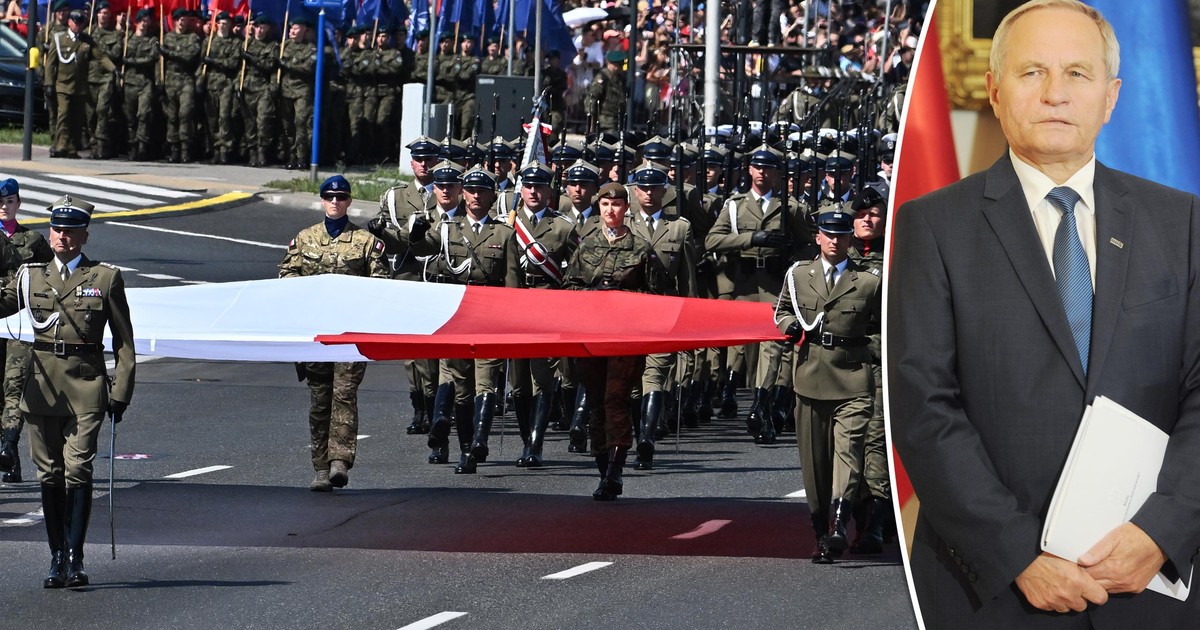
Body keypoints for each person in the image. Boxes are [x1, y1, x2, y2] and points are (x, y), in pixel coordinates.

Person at [889, 0, 1200, 625]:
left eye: (1077, 74)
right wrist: (1018, 557)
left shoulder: (1183, 223)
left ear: (1111, 97)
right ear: (995, 90)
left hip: (1152, 586)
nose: (1056, 93)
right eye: (1032, 72)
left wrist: (1163, 531)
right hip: (991, 591)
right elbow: (923, 408)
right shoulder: (933, 226)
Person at [0, 195, 131, 588]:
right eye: (57, 229)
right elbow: (3, 303)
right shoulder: (30, 276)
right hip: (42, 386)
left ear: (84, 236)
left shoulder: (105, 278)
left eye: (71, 231)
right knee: (50, 472)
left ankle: (75, 557)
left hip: (86, 384)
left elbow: (124, 342)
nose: (62, 237)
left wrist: (121, 391)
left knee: (77, 468)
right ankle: (56, 557)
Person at [775, 209, 880, 564]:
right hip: (810, 378)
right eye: (828, 234)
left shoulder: (868, 281)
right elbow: (781, 310)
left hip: (853, 379)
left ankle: (839, 523)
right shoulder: (798, 275)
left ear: (850, 239)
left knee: (848, 452)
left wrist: (871, 353)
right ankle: (821, 534)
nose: (835, 240)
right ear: (817, 237)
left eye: (842, 235)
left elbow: (886, 325)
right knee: (815, 463)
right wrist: (789, 326)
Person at [279, 176, 388, 491]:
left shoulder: (365, 242)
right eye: (330, 197)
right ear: (322, 200)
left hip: (350, 333)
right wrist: (310, 294)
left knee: (344, 394)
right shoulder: (305, 239)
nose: (335, 202)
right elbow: (286, 274)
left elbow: (381, 283)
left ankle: (340, 460)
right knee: (320, 399)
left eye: (341, 197)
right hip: (317, 333)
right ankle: (320, 468)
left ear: (349, 201)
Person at [564, 182, 662, 501]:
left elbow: (657, 295)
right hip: (592, 335)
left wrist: (624, 297)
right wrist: (592, 294)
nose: (610, 210)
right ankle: (602, 470)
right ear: (599, 208)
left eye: (616, 204)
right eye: (605, 205)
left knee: (615, 399)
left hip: (625, 336)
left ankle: (615, 472)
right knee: (596, 403)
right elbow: (568, 288)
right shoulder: (586, 246)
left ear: (626, 208)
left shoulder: (641, 249)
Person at [0, 179, 54, 484]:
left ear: (18, 204)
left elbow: (52, 275)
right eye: (0, 202)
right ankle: (10, 458)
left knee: (15, 385)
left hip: (19, 324)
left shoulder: (32, 240)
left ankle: (8, 445)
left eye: (9, 201)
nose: (4, 207)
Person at [45, 10, 115, 159]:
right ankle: (61, 146)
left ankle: (72, 147)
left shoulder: (87, 41)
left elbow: (101, 57)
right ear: (69, 22)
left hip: (79, 86)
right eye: (75, 22)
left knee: (77, 119)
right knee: (63, 115)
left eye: (81, 23)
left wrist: (113, 69)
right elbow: (51, 63)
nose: (78, 25)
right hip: (63, 85)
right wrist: (49, 83)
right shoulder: (59, 39)